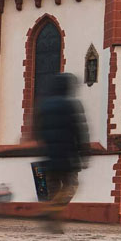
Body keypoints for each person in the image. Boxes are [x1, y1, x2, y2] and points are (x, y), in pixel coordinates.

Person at [36, 72, 89, 232]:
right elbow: (79, 130)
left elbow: (39, 129)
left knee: (53, 188)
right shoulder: (71, 105)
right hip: (67, 154)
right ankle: (50, 210)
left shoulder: (44, 105)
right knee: (71, 186)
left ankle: (54, 225)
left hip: (49, 154)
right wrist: (84, 152)